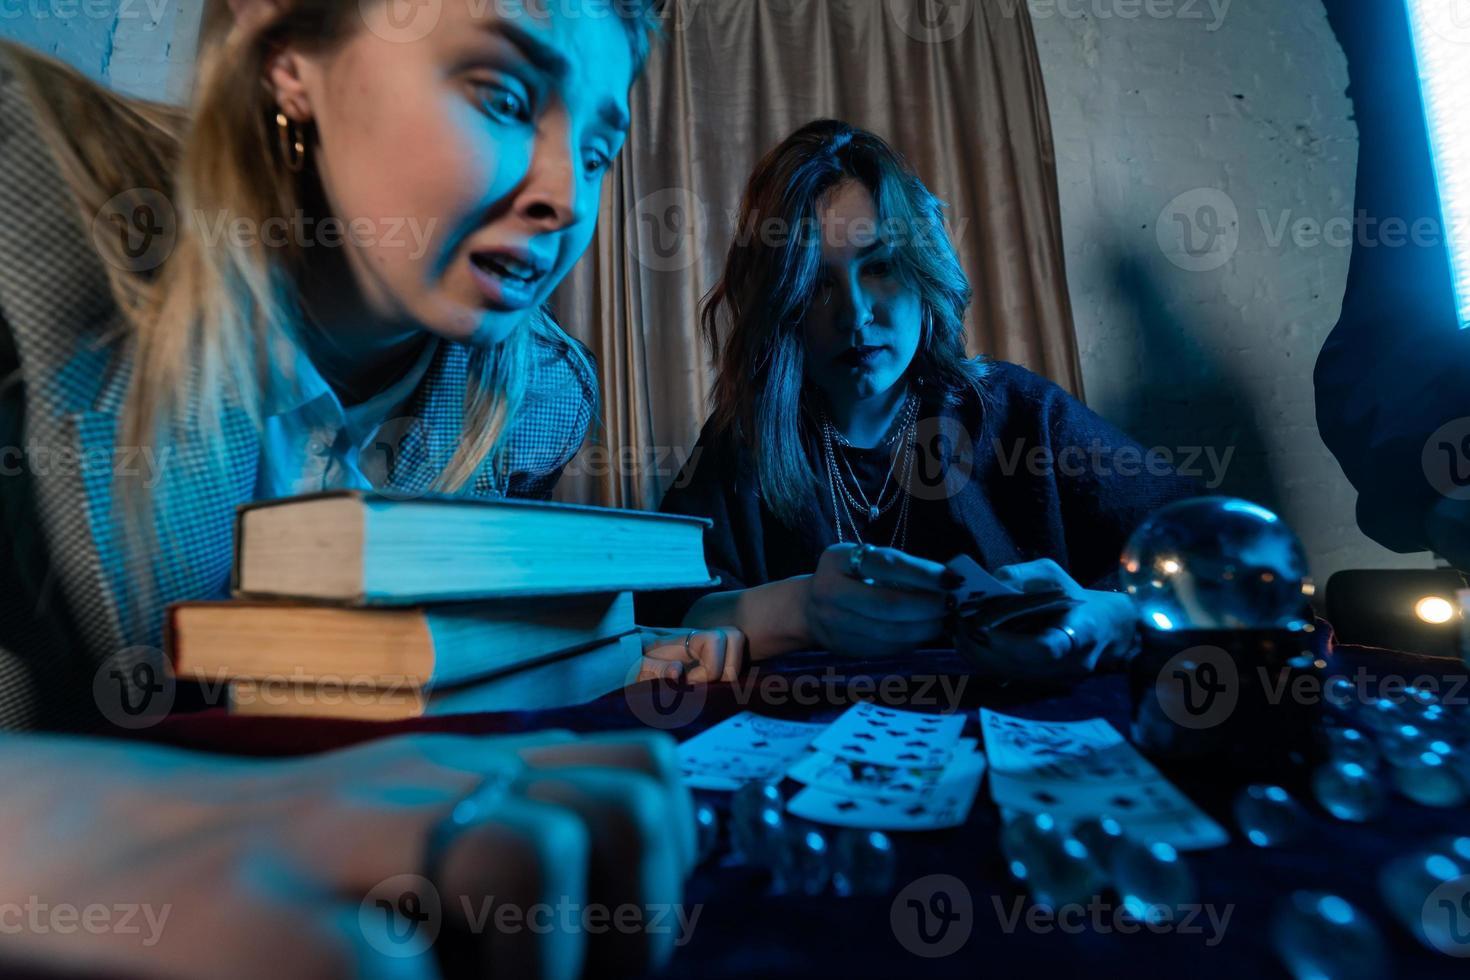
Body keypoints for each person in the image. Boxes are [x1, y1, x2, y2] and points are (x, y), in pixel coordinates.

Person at [0, 1, 724, 975]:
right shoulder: (23, 194)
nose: (565, 197)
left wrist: (763, 612)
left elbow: (479, 655)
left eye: (597, 153)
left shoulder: (537, 395)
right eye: (503, 96)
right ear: (288, 53)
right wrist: (89, 828)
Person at [635, 120, 1199, 682]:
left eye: (879, 267)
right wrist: (798, 611)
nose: (855, 315)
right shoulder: (743, 442)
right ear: (780, 301)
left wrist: (1116, 612)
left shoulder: (1023, 412)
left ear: (923, 271)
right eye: (817, 282)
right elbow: (654, 615)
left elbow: (1211, 549)